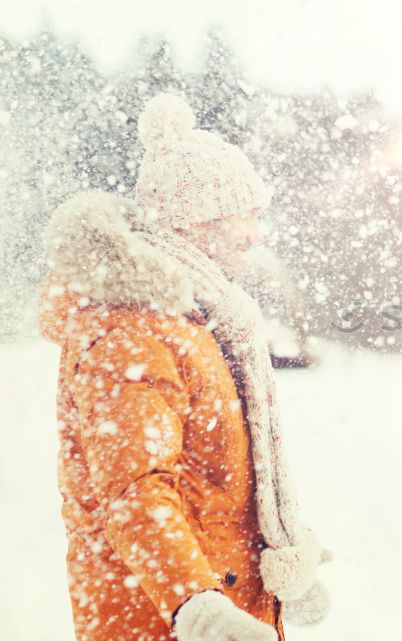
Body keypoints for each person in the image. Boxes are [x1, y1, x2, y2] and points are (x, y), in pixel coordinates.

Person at [38, 93, 332, 641]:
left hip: (226, 601)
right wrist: (195, 605)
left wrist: (275, 558)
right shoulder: (129, 330)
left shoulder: (203, 323)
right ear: (198, 220)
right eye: (245, 213)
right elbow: (134, 489)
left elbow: (220, 487)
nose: (256, 232)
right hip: (159, 620)